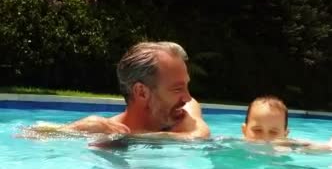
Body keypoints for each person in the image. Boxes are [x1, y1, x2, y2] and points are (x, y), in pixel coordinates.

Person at [29, 41, 210, 140]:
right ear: (141, 92)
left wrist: (134, 137)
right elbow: (28, 134)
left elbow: (200, 136)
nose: (187, 97)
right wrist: (75, 128)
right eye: (178, 89)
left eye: (186, 86)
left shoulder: (186, 112)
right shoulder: (105, 135)